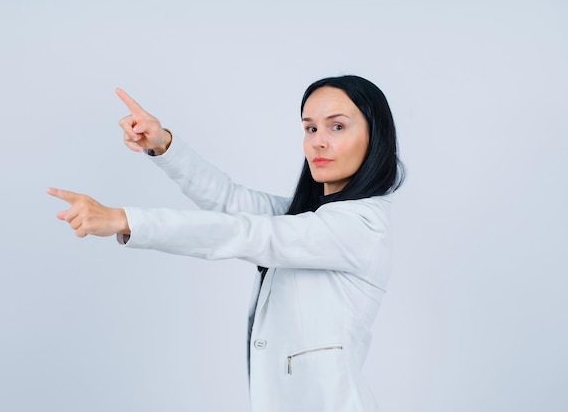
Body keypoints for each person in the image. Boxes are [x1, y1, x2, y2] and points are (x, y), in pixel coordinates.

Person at [47, 75, 404, 412]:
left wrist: (124, 220)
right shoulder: (305, 219)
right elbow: (228, 200)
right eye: (310, 127)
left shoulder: (361, 227)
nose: (318, 141)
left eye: (336, 126)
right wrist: (164, 146)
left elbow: (244, 233)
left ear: (375, 138)